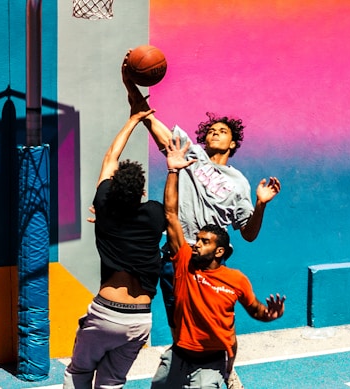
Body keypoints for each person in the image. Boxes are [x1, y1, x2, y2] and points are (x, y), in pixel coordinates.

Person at [122, 55, 281, 388]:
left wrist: (260, 205)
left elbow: (248, 234)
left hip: (209, 263)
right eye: (211, 129)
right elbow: (150, 120)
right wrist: (130, 85)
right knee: (183, 330)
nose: (214, 132)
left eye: (222, 131)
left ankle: (219, 369)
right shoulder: (188, 154)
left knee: (208, 325)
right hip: (178, 256)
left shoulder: (238, 183)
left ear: (232, 143)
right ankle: (215, 370)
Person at [149, 137, 286, 388]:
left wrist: (271, 315)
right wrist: (172, 171)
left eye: (204, 242)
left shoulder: (235, 280)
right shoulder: (183, 263)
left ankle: (228, 370)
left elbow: (256, 311)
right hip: (179, 356)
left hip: (210, 362)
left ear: (220, 250)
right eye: (197, 240)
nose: (196, 244)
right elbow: (170, 214)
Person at [63, 104, 181, 389]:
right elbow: (172, 211)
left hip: (106, 313)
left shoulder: (103, 204)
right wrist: (173, 170)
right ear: (141, 192)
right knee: (112, 381)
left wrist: (132, 120)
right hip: (139, 320)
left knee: (78, 373)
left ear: (113, 188)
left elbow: (110, 158)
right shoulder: (154, 214)